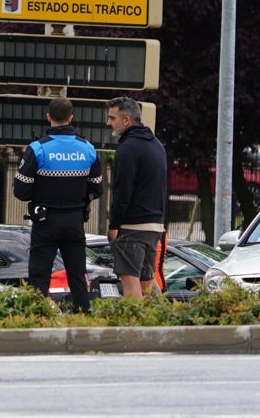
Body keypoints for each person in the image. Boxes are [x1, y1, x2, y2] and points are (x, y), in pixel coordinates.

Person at [12, 97, 103, 312]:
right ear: (71, 118)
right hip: (75, 220)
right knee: (77, 274)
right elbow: (97, 188)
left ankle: (38, 318)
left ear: (48, 117)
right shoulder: (88, 149)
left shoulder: (37, 149)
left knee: (39, 276)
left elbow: (21, 191)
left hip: (45, 220)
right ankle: (83, 318)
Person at [106, 96, 168, 298]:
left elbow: (123, 192)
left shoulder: (127, 149)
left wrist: (114, 225)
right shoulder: (156, 145)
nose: (108, 123)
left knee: (130, 281)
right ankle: (167, 322)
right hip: (154, 225)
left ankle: (133, 327)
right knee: (147, 281)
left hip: (132, 226)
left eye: (112, 118)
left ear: (126, 121)